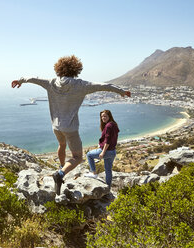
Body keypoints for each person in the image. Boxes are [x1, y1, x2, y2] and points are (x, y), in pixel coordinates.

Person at [11, 55, 131, 195]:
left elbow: (33, 78)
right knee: (77, 157)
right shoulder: (80, 85)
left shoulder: (51, 82)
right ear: (76, 69)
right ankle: (60, 174)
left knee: (62, 145)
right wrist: (121, 91)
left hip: (56, 126)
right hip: (71, 128)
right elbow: (104, 86)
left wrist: (20, 81)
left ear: (59, 69)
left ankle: (62, 167)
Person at [85, 110, 119, 189]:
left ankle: (93, 173)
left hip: (106, 151)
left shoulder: (108, 126)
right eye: (102, 116)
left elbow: (107, 141)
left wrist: (103, 152)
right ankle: (108, 188)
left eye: (105, 116)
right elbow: (112, 138)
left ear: (109, 116)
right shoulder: (114, 124)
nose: (103, 118)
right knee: (108, 170)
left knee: (89, 155)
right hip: (113, 152)